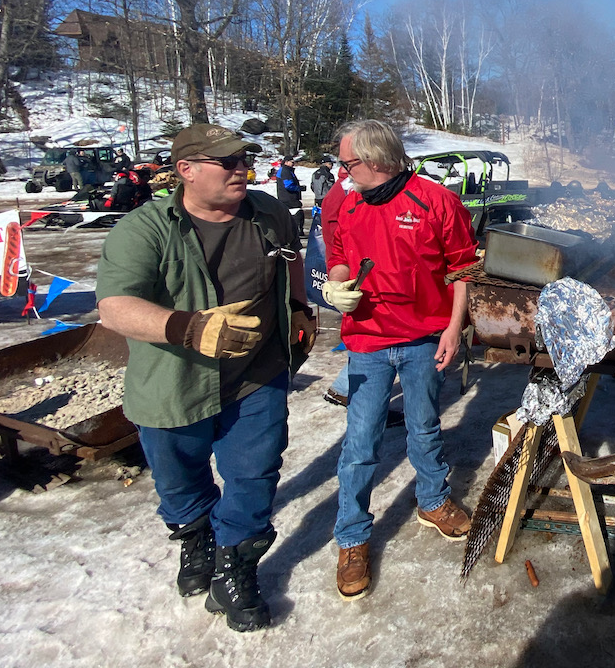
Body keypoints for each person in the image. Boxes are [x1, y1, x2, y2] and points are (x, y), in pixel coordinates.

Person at [95, 123, 314, 632]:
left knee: (253, 476)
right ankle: (196, 541)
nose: (243, 170)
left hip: (256, 376)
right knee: (178, 480)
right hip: (174, 381)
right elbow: (114, 308)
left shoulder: (269, 213)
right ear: (186, 170)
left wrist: (301, 306)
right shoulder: (143, 229)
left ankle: (235, 565)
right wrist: (188, 328)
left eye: (244, 160)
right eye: (228, 162)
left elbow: (292, 257)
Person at [320, 119, 478, 600]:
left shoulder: (436, 201)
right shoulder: (345, 202)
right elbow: (340, 255)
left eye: (349, 165)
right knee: (360, 441)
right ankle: (352, 538)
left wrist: (454, 328)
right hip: (366, 340)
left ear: (378, 160)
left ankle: (433, 500)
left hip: (423, 338)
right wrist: (337, 284)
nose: (344, 174)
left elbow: (462, 269)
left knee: (424, 425)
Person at [275, 156, 303, 235]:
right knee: (298, 213)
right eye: (292, 162)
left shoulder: (284, 170)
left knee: (288, 215)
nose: (293, 164)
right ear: (286, 162)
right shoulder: (286, 171)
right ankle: (297, 232)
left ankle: (290, 232)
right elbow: (288, 185)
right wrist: (299, 188)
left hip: (284, 197)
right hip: (289, 197)